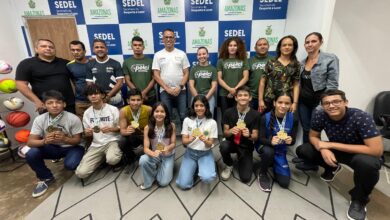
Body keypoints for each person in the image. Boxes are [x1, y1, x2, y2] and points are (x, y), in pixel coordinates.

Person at [295, 89, 383, 220]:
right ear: (322, 105)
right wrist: (323, 149)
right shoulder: (320, 115)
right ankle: (332, 167)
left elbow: (376, 150)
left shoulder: (361, 117)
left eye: (336, 101)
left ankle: (359, 200)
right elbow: (313, 136)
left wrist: (330, 145)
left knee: (368, 165)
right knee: (304, 150)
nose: (331, 106)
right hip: (337, 151)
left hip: (360, 154)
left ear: (345, 102)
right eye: (327, 103)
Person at [26, 90, 84, 197]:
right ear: (44, 105)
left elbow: (78, 140)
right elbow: (30, 142)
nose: (54, 105)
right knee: (31, 153)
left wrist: (65, 139)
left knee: (71, 164)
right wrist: (44, 141)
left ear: (64, 104)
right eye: (50, 103)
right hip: (51, 147)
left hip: (72, 147)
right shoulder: (40, 119)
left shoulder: (73, 118)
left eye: (58, 102)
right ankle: (46, 177)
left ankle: (78, 161)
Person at [298, 32, 339, 144]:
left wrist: (324, 103)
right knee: (306, 129)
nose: (310, 44)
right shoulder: (302, 63)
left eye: (313, 41)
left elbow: (332, 84)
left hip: (319, 101)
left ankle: (314, 156)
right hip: (304, 102)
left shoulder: (330, 59)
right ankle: (305, 154)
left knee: (315, 130)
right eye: (307, 42)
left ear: (321, 42)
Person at [75, 84, 122, 179]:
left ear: (102, 95)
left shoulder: (112, 109)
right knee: (81, 173)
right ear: (87, 97)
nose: (93, 96)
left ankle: (111, 158)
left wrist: (111, 129)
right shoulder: (87, 113)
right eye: (90, 94)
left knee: (113, 159)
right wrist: (87, 133)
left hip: (112, 140)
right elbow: (87, 133)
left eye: (96, 93)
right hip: (96, 144)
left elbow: (121, 128)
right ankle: (101, 158)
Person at [15, 39, 75, 113]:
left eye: (51, 47)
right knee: (51, 125)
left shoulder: (66, 63)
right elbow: (21, 85)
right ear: (36, 49)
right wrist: (36, 101)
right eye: (43, 46)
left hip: (68, 105)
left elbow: (77, 80)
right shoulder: (26, 64)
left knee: (73, 124)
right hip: (45, 106)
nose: (48, 48)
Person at [257, 92, 298, 191]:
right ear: (274, 103)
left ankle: (273, 162)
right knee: (268, 152)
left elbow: (293, 140)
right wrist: (270, 142)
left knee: (284, 183)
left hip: (280, 151)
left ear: (291, 105)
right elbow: (259, 139)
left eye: (287, 103)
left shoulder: (294, 118)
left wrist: (290, 140)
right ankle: (262, 173)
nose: (283, 106)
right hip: (265, 146)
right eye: (280, 102)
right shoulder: (264, 117)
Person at [176, 95, 218, 189]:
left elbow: (210, 144)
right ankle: (197, 167)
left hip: (205, 153)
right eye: (196, 105)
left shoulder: (212, 122)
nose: (199, 108)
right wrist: (191, 139)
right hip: (190, 153)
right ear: (193, 107)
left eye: (202, 105)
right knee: (183, 185)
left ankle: (205, 165)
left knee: (208, 178)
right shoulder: (187, 120)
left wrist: (205, 140)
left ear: (206, 107)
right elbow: (184, 141)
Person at [220, 86, 260, 183]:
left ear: (250, 98)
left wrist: (249, 135)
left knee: (246, 178)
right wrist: (230, 131)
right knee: (223, 145)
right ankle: (229, 164)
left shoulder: (256, 114)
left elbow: (256, 136)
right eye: (240, 95)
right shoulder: (228, 112)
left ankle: (241, 157)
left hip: (246, 146)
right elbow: (225, 134)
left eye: (245, 95)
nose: (243, 97)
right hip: (232, 143)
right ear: (236, 97)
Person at [152, 28, 190, 124]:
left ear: (174, 39)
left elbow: (186, 73)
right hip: (165, 91)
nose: (169, 39)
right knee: (166, 116)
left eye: (171, 37)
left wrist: (180, 87)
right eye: (166, 37)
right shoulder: (158, 55)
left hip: (181, 90)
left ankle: (185, 137)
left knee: (183, 115)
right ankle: (168, 138)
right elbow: (156, 75)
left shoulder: (182, 54)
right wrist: (167, 88)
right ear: (163, 40)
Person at [139, 102, 176, 189]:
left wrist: (168, 147)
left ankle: (160, 169)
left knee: (163, 182)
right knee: (143, 159)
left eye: (162, 111)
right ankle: (148, 181)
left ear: (166, 113)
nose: (159, 114)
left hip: (168, 155)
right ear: (153, 113)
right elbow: (145, 148)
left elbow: (174, 143)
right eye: (157, 111)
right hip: (155, 154)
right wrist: (153, 153)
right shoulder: (147, 127)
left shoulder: (171, 126)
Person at [258, 35, 300, 113]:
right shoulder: (271, 62)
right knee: (267, 122)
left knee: (283, 123)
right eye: (284, 45)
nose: (287, 47)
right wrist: (260, 100)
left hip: (285, 102)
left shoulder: (296, 64)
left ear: (294, 47)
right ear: (280, 47)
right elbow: (262, 82)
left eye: (290, 45)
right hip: (269, 100)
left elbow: (296, 84)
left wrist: (295, 103)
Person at [86, 39, 124, 108]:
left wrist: (107, 97)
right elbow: (89, 84)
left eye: (102, 47)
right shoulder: (90, 64)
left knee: (118, 118)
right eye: (97, 47)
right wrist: (99, 97)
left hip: (114, 98)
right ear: (93, 50)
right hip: (98, 99)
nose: (99, 49)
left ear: (106, 49)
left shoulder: (115, 63)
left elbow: (120, 83)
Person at [217, 37, 249, 117]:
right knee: (225, 117)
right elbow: (219, 79)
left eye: (235, 45)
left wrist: (235, 90)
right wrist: (230, 89)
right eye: (230, 45)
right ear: (226, 47)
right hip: (224, 93)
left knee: (238, 117)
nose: (232, 47)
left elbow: (246, 77)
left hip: (239, 93)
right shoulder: (221, 60)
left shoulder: (243, 59)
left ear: (238, 47)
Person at [119, 88, 151, 164]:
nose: (136, 103)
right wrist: (127, 131)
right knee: (122, 141)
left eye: (138, 100)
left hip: (145, 135)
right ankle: (131, 156)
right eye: (133, 100)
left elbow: (154, 126)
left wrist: (147, 132)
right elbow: (122, 131)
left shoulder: (148, 109)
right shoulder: (123, 111)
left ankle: (148, 154)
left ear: (142, 100)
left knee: (152, 147)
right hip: (132, 136)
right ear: (128, 101)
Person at [122, 36, 156, 106]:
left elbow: (154, 78)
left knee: (151, 116)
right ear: (131, 47)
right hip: (134, 98)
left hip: (150, 96)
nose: (137, 47)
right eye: (135, 45)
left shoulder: (151, 61)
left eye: (140, 45)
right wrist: (138, 94)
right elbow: (127, 80)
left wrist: (144, 93)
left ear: (143, 47)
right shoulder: (126, 62)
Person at [188, 47, 217, 117]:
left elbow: (214, 86)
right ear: (197, 56)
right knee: (194, 116)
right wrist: (198, 98)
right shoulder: (193, 68)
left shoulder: (213, 69)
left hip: (209, 96)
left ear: (208, 55)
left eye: (204, 54)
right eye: (199, 54)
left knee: (209, 116)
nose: (202, 56)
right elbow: (191, 85)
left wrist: (205, 99)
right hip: (196, 95)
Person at [67, 40, 91, 118]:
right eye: (73, 50)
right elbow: (73, 81)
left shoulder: (93, 62)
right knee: (82, 126)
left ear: (84, 51)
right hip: (80, 101)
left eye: (78, 50)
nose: (76, 52)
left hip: (95, 99)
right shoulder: (69, 65)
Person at [248, 38, 272, 110]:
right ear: (255, 48)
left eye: (265, 44)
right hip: (252, 96)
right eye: (260, 45)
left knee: (266, 119)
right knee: (251, 119)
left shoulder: (274, 60)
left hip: (269, 96)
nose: (262, 46)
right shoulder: (249, 61)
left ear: (268, 46)